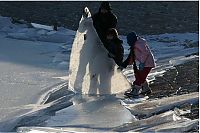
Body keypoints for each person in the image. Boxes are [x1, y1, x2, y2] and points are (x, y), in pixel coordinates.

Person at [120, 32, 156, 97]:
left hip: (147, 63)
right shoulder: (134, 45)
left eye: (129, 41)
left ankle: (135, 91)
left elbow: (145, 53)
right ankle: (146, 89)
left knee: (140, 78)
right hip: (143, 63)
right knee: (139, 76)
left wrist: (142, 62)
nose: (128, 43)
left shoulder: (140, 44)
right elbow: (131, 57)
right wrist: (123, 65)